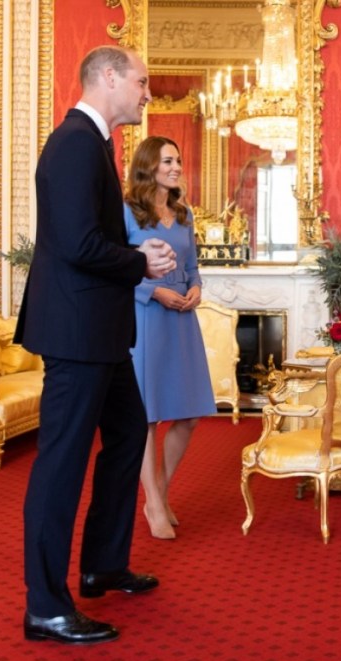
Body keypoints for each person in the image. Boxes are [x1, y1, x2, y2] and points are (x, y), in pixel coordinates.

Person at [15, 45, 178, 645]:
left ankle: (102, 565)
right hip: (77, 333)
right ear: (108, 77)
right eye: (142, 82)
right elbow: (78, 245)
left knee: (129, 433)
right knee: (61, 465)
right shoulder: (74, 144)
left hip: (99, 332)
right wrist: (140, 262)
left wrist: (136, 255)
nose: (148, 94)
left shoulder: (93, 144)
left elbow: (88, 240)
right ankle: (45, 606)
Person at [124, 136, 215, 540]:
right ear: (149, 166)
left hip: (182, 318)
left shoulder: (183, 213)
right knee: (147, 415)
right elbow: (118, 267)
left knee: (189, 414)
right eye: (167, 161)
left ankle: (159, 489)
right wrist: (154, 291)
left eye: (178, 160)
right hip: (146, 316)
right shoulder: (126, 212)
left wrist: (195, 289)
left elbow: (192, 266)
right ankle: (154, 504)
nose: (176, 167)